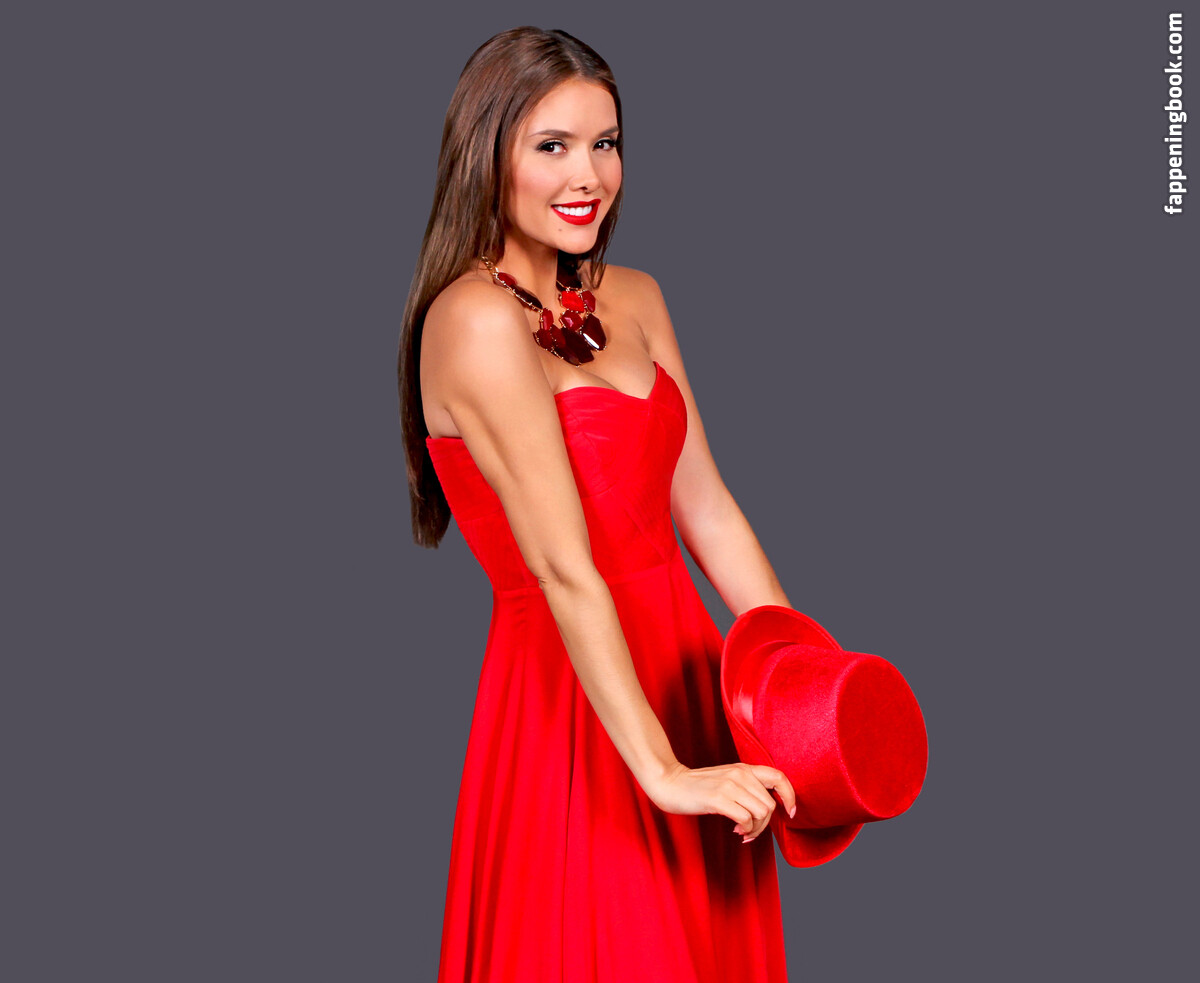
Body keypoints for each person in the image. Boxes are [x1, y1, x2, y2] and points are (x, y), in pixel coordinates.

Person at [399, 26, 798, 982]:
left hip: (692, 682)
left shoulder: (638, 296)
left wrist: (799, 687)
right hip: (579, 708)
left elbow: (709, 510)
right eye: (553, 145)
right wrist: (663, 771)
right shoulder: (472, 320)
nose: (589, 176)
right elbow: (563, 568)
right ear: (486, 153)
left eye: (605, 143)